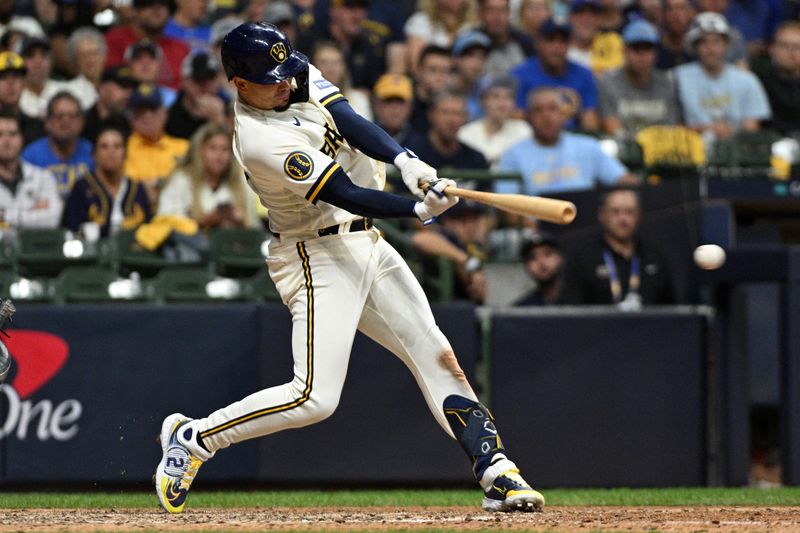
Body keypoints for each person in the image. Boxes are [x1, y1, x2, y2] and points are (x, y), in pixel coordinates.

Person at [154, 21, 544, 516]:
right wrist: (415, 210)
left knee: (436, 352)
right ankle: (195, 438)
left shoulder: (290, 75)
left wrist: (406, 160)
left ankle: (496, 470)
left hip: (365, 241)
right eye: (271, 77)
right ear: (239, 82)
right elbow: (342, 191)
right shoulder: (258, 139)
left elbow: (348, 118)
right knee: (314, 398)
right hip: (315, 255)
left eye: (285, 71)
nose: (285, 82)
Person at [496, 87, 633, 196]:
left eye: (553, 108)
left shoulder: (587, 146)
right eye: (538, 110)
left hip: (585, 222)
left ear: (563, 115)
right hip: (538, 226)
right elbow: (505, 205)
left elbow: (623, 180)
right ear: (529, 117)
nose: (546, 116)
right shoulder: (513, 154)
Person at [560, 186, 674, 307]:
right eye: (615, 211)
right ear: (602, 214)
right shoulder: (584, 258)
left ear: (639, 215)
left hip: (649, 325)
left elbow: (672, 309)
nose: (623, 219)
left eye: (629, 212)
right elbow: (571, 310)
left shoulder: (654, 257)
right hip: (598, 325)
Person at [675, 12, 771, 141]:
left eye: (716, 42)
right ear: (695, 46)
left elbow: (752, 127)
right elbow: (671, 125)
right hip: (690, 151)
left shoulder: (747, 80)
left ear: (726, 44)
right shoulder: (677, 77)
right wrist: (708, 129)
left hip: (738, 153)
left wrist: (730, 133)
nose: (711, 49)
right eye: (704, 43)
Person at [157, 122, 258, 229]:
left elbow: (254, 226)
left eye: (225, 149)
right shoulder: (181, 179)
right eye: (213, 148)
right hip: (190, 243)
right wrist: (202, 222)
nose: (219, 154)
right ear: (199, 151)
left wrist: (240, 221)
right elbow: (164, 220)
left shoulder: (241, 181)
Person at [61, 124, 152, 239]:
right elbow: (69, 229)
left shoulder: (136, 187)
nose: (111, 152)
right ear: (94, 154)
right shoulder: (82, 187)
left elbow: (148, 228)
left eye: (117, 146)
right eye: (104, 146)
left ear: (125, 153)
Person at [510, 18, 600, 131]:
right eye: (550, 40)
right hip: (534, 139)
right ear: (538, 43)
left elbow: (589, 119)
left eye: (563, 41)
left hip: (573, 139)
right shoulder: (519, 76)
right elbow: (517, 122)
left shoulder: (584, 74)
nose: (557, 48)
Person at [598, 19, 682, 139]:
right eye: (636, 48)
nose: (642, 56)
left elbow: (672, 128)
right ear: (624, 51)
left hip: (660, 150)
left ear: (655, 53)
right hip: (624, 150)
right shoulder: (608, 81)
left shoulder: (667, 83)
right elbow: (610, 125)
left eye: (647, 49)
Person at [411, 200, 491, 304]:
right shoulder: (447, 237)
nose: (469, 226)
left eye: (473, 220)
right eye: (462, 220)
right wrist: (463, 259)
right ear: (447, 221)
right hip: (437, 306)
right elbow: (419, 239)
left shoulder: (476, 245)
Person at [124, 82, 190, 206]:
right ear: (131, 116)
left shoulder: (184, 148)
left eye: (153, 109)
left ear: (164, 114)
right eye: (140, 111)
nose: (147, 115)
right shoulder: (122, 149)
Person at [104, 0, 190, 90]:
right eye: (148, 4)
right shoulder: (114, 40)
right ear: (135, 10)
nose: (157, 9)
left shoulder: (180, 48)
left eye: (164, 4)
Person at [21, 91, 93, 197]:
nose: (66, 121)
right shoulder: (31, 156)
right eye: (59, 116)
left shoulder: (93, 153)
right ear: (47, 122)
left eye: (72, 116)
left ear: (82, 122)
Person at [0, 109, 62, 232]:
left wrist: (4, 216)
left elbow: (52, 220)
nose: (6, 140)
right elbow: (43, 219)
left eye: (13, 134)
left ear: (22, 139)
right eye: (0, 134)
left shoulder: (43, 177)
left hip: (35, 250)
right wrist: (32, 211)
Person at [406, 90, 491, 175]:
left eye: (457, 113)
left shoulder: (476, 160)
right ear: (431, 115)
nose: (451, 120)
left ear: (466, 118)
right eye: (445, 112)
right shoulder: (412, 156)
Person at [457, 74, 532, 168]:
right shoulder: (466, 133)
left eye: (508, 97)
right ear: (483, 101)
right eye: (495, 97)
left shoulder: (524, 131)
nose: (502, 104)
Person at [165, 50, 228, 139]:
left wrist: (218, 119)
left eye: (209, 79)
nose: (203, 86)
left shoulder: (230, 108)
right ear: (184, 81)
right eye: (197, 80)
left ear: (218, 81)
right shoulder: (170, 112)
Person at [752, 21, 800, 136]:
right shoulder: (757, 79)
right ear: (772, 49)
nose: (791, 52)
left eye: (797, 47)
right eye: (784, 46)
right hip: (766, 144)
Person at [310, 40, 372, 121]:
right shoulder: (306, 102)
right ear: (313, 67)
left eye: (336, 62)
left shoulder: (359, 99)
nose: (331, 68)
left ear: (344, 67)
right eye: (324, 62)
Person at [476, 0, 536, 78]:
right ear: (481, 14)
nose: (497, 18)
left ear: (509, 13)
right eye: (490, 11)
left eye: (502, 11)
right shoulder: (471, 42)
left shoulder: (525, 42)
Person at [568, 0, 624, 76]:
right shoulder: (557, 45)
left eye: (593, 14)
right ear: (570, 17)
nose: (587, 20)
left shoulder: (613, 42)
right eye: (580, 13)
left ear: (600, 19)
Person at [82, 65, 137, 143]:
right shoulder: (82, 124)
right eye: (122, 86)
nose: (128, 94)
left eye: (131, 88)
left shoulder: (130, 126)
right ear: (102, 88)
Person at [0, 50, 44, 145]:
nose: (10, 83)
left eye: (16, 76)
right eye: (3, 77)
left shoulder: (37, 127)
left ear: (24, 83)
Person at [372, 73, 426, 148]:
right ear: (376, 105)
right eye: (388, 101)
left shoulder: (422, 145)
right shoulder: (365, 138)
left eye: (400, 102)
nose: (395, 109)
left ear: (410, 106)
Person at [409, 44, 453, 136]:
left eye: (445, 71)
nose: (439, 77)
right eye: (433, 70)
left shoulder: (453, 106)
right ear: (419, 71)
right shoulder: (404, 101)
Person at [514, 231, 564, 306]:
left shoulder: (583, 299)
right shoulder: (522, 309)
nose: (541, 262)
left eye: (547, 254)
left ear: (560, 257)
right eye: (532, 258)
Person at [450, 30, 491, 120]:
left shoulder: (487, 88)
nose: (476, 63)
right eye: (470, 56)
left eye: (481, 57)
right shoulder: (444, 89)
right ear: (455, 60)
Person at [657, 0, 695, 69]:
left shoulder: (698, 49)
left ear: (691, 14)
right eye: (670, 9)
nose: (676, 14)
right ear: (663, 15)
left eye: (681, 8)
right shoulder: (653, 50)